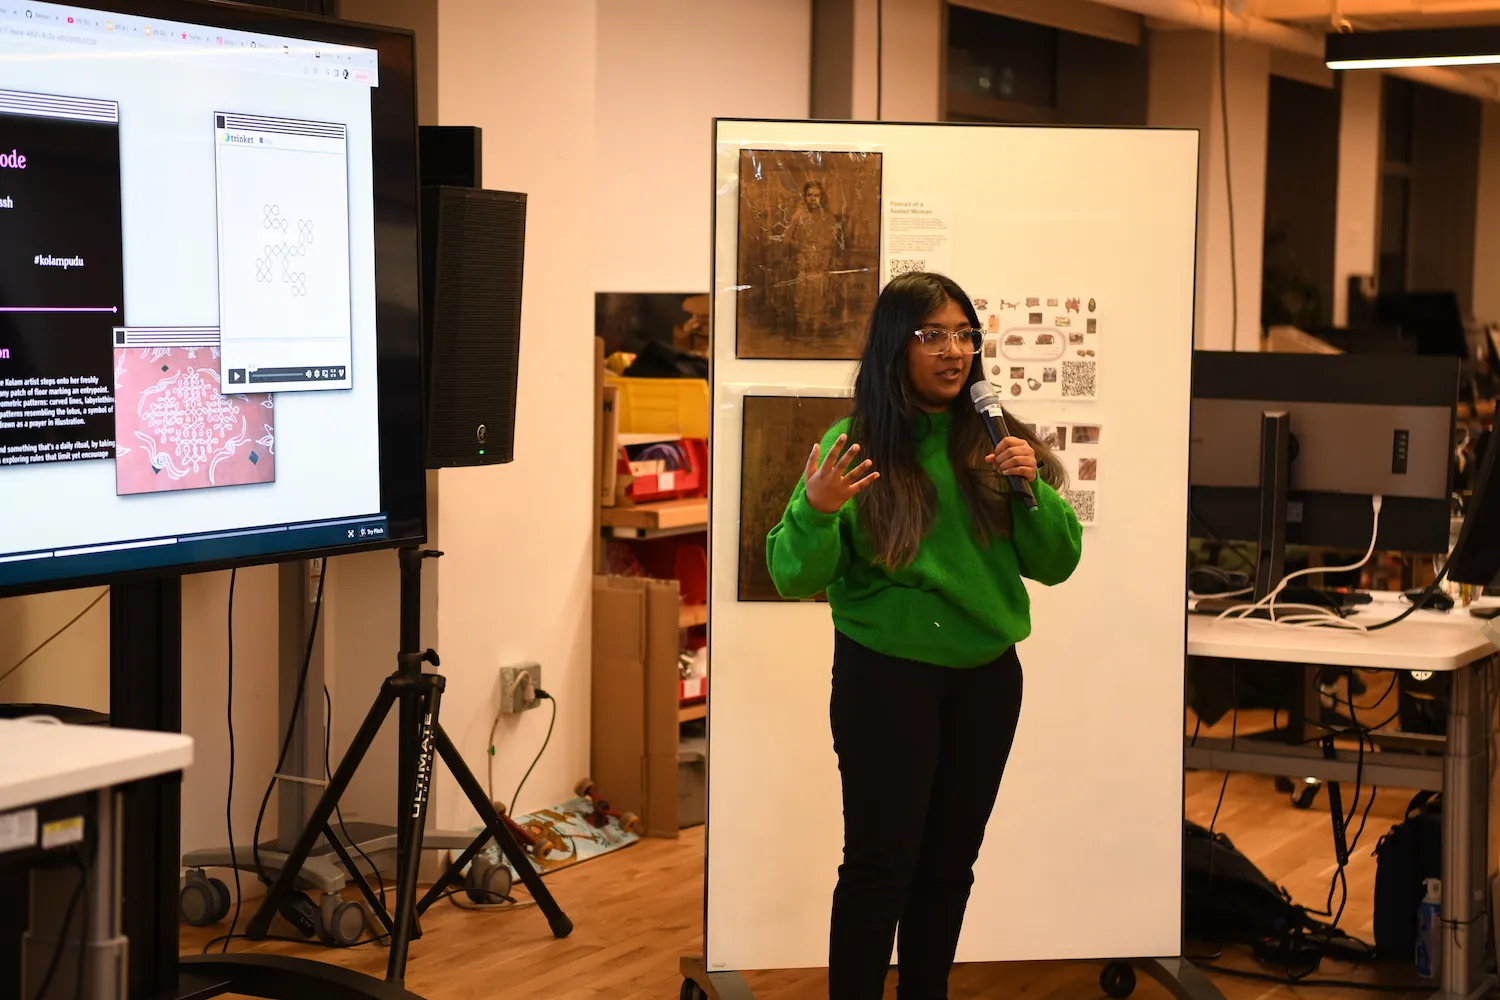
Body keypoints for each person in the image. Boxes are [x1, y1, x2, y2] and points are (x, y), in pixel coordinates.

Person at [765, 271, 1083, 999]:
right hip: (887, 678)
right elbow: (791, 573)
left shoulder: (1001, 441)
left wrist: (1031, 493)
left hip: (986, 678)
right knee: (881, 866)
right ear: (893, 346)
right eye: (933, 334)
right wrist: (815, 511)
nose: (954, 351)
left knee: (949, 866)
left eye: (966, 335)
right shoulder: (855, 444)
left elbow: (1057, 564)